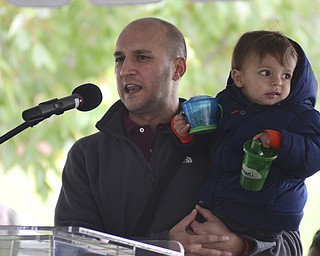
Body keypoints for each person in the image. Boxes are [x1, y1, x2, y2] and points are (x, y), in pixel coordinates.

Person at [54, 19, 304, 256]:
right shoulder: (87, 155)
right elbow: (70, 249)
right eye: (120, 60)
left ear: (178, 68)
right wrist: (163, 247)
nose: (125, 70)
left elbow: (291, 245)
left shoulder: (228, 140)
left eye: (141, 57)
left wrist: (240, 246)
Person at [172, 30, 320, 254]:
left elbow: (313, 156)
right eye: (266, 73)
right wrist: (188, 136)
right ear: (238, 78)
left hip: (267, 216)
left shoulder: (300, 116)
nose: (277, 82)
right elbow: (212, 149)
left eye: (286, 75)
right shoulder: (227, 109)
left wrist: (282, 141)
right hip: (225, 206)